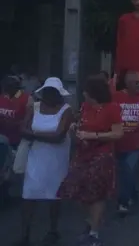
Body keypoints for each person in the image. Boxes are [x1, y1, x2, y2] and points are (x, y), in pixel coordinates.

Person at [57, 76, 123, 246]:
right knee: (74, 188)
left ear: (94, 93)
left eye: (86, 91)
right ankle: (92, 219)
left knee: (96, 193)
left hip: (101, 155)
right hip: (82, 153)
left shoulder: (112, 108)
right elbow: (82, 123)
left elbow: (117, 133)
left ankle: (94, 232)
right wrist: (75, 127)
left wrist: (94, 136)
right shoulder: (86, 107)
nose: (83, 94)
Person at [15, 77, 73, 246]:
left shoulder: (66, 110)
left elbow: (59, 136)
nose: (49, 95)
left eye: (52, 92)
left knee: (54, 194)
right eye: (47, 92)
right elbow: (22, 128)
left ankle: (53, 231)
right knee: (28, 194)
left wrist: (33, 135)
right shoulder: (35, 107)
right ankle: (25, 234)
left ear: (59, 94)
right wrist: (42, 136)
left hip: (57, 159)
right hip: (36, 156)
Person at [112, 71, 139, 216]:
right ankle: (133, 192)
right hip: (119, 141)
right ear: (128, 83)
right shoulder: (116, 97)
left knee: (128, 169)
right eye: (136, 82)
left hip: (136, 143)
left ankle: (123, 202)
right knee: (126, 172)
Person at [0, 76, 32, 149]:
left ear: (15, 88)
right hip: (2, 140)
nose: (4, 90)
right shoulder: (2, 97)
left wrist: (12, 123)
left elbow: (29, 121)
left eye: (7, 88)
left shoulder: (26, 99)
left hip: (18, 141)